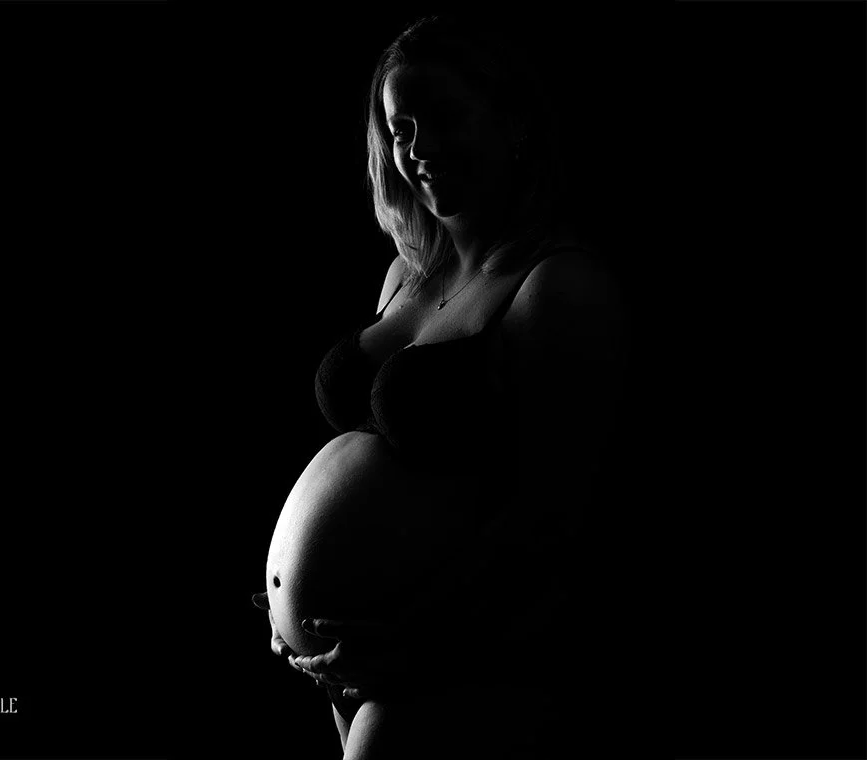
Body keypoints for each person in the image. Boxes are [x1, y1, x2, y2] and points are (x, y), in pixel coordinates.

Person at [252, 15, 628, 758]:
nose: (418, 149)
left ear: (511, 123)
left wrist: (407, 645)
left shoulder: (558, 286)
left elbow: (554, 527)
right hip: (353, 660)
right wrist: (287, 595)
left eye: (446, 118)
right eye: (402, 128)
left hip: (458, 657)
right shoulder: (404, 278)